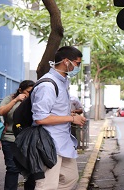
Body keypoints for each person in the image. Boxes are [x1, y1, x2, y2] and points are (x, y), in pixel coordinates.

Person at [31, 46, 86, 189]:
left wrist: (71, 115)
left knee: (70, 178)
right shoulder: (48, 85)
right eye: (77, 63)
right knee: (47, 185)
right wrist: (71, 119)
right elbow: (40, 118)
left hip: (63, 142)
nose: (78, 67)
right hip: (49, 144)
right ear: (66, 61)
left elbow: (55, 111)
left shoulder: (62, 82)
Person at [0, 80, 36, 190]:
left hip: (28, 139)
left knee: (31, 169)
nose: (30, 94)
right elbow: (1, 112)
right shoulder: (10, 99)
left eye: (32, 91)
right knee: (12, 168)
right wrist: (16, 100)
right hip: (10, 138)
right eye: (28, 91)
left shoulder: (34, 100)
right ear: (20, 90)